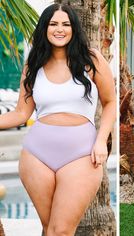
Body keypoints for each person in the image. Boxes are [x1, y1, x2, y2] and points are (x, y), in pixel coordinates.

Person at [0, 3, 116, 236]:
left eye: (66, 24)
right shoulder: (34, 65)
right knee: (49, 229)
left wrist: (101, 140)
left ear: (74, 29)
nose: (59, 29)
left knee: (61, 231)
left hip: (81, 154)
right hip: (37, 155)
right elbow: (21, 113)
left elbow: (111, 102)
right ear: (45, 28)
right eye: (53, 24)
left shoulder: (91, 60)